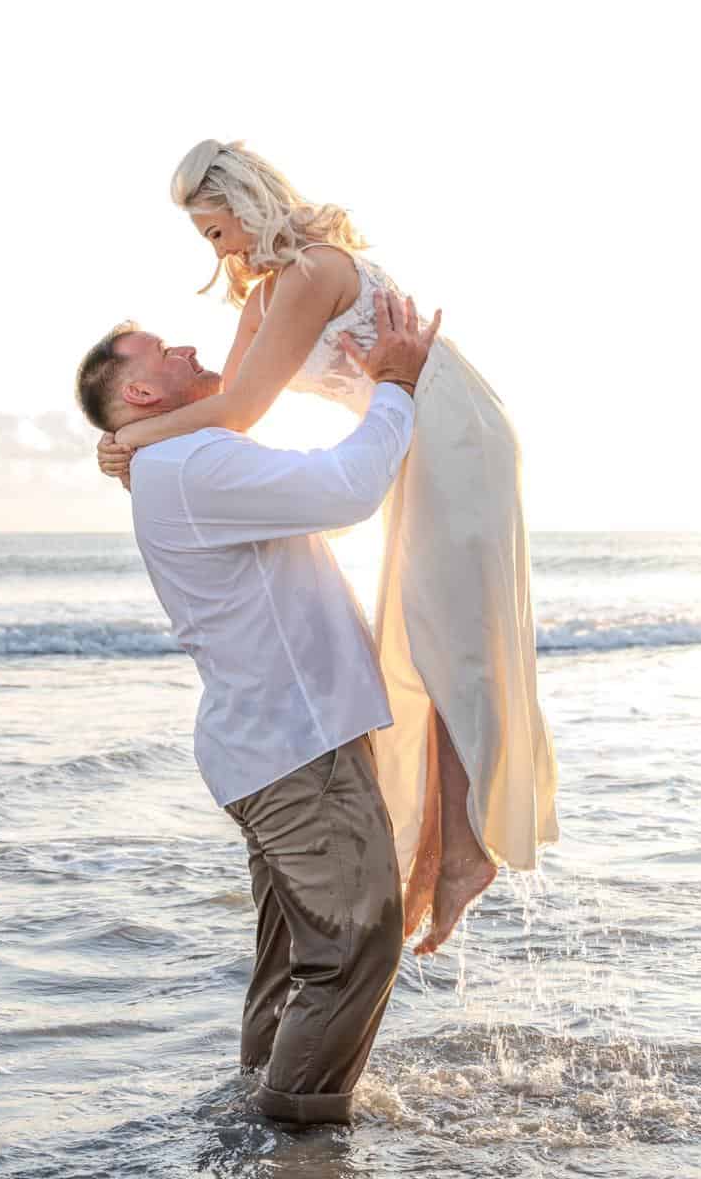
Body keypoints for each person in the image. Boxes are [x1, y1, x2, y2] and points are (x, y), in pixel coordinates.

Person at [98, 140, 559, 955]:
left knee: (450, 640)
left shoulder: (317, 268)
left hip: (453, 433)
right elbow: (229, 413)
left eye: (216, 231)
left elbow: (238, 410)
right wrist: (143, 447)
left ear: (247, 204)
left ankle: (462, 852)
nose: (219, 251)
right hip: (412, 440)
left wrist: (132, 438)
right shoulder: (267, 295)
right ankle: (448, 849)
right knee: (420, 640)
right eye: (207, 240)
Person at [76, 289, 439, 1127]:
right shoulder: (190, 464)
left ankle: (255, 1119)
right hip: (295, 749)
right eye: (164, 351)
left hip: (270, 747)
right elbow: (348, 489)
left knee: (297, 958)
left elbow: (306, 484)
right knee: (355, 944)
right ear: (140, 391)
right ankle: (297, 1135)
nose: (187, 350)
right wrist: (395, 384)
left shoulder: (176, 461)